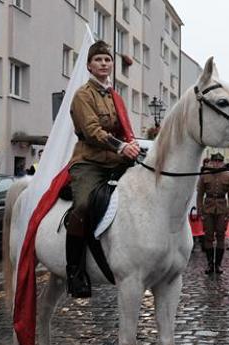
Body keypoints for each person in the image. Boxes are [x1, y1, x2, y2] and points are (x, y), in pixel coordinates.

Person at [64, 40, 140, 297]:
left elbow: (124, 130)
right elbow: (93, 132)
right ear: (89, 65)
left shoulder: (115, 97)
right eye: (98, 60)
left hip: (117, 161)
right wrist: (121, 147)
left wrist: (133, 145)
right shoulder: (83, 95)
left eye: (107, 60)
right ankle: (74, 271)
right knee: (83, 205)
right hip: (89, 162)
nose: (104, 64)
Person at [197, 153, 229, 274]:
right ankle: (209, 263)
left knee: (220, 236)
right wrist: (200, 210)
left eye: (219, 161)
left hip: (222, 209)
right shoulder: (205, 175)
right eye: (215, 161)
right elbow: (200, 194)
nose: (217, 163)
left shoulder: (228, 175)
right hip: (208, 209)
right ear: (211, 162)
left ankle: (218, 264)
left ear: (222, 162)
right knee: (208, 236)